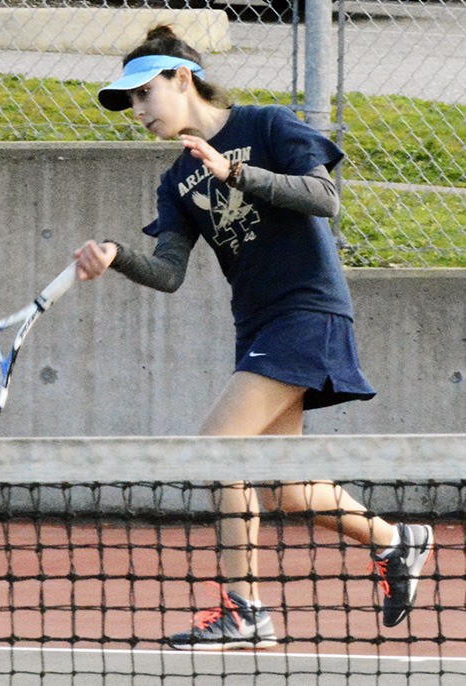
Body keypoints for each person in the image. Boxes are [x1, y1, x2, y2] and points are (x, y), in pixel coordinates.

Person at [73, 25, 434, 651]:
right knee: (286, 486)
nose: (137, 112)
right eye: (128, 102)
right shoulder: (175, 182)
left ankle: (244, 610)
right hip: (258, 326)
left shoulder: (268, 126)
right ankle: (395, 540)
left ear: (181, 78)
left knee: (219, 449)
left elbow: (323, 198)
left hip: (308, 310)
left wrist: (235, 174)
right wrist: (117, 255)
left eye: (142, 94)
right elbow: (168, 273)